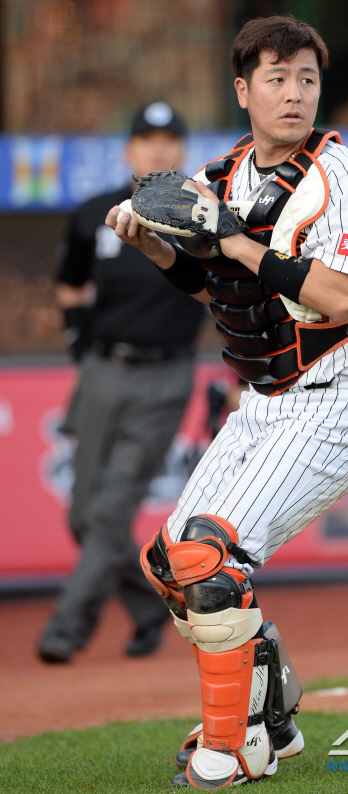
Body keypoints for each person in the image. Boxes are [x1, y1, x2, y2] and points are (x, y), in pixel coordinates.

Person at [106, 15, 348, 789]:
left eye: (307, 78)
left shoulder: (347, 179)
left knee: (210, 560)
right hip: (263, 405)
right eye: (276, 78)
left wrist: (234, 241)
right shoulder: (222, 176)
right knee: (170, 564)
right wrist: (155, 246)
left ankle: (235, 747)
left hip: (336, 401)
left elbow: (340, 297)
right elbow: (222, 290)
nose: (294, 93)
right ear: (244, 90)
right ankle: (270, 710)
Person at [38, 102, 206, 663]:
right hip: (103, 370)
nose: (158, 148)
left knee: (110, 514)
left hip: (167, 377)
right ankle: (150, 605)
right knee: (82, 515)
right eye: (147, 138)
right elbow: (69, 283)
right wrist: (79, 347)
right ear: (128, 150)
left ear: (182, 150)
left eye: (169, 138)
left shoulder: (204, 216)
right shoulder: (95, 212)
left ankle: (65, 629)